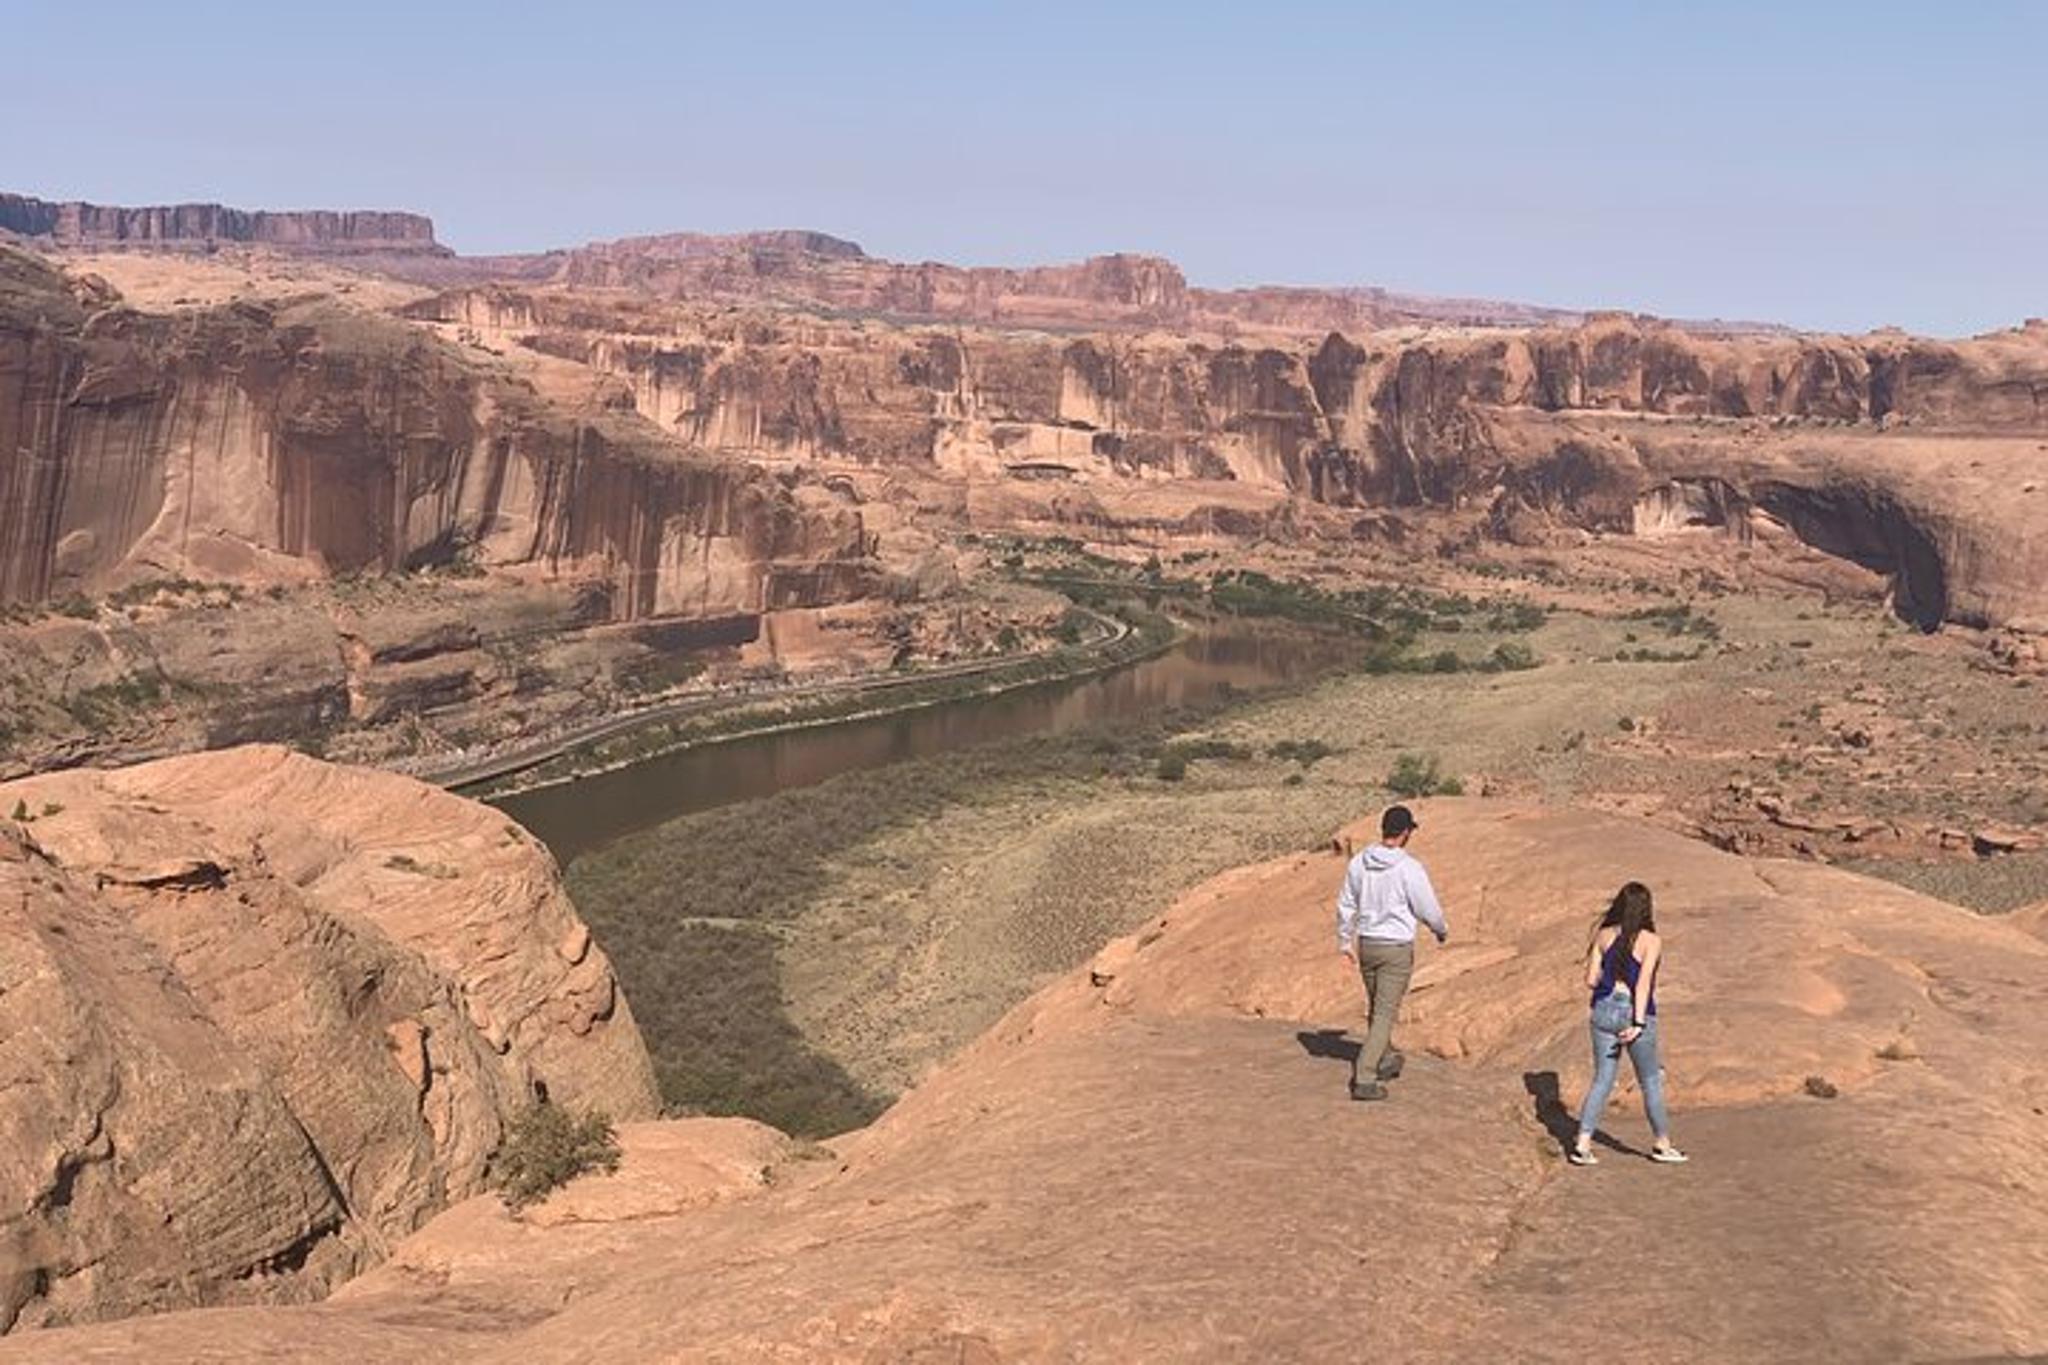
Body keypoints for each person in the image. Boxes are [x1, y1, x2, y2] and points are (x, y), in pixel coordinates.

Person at [1569, 882, 1687, 1165]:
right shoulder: (1651, 940)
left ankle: (1582, 1145)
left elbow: (1589, 980)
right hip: (1633, 1011)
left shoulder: (1603, 935)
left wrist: (1609, 980)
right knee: (1650, 1080)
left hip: (1603, 1009)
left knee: (1602, 1080)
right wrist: (1637, 1022)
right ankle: (1662, 1144)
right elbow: (1643, 984)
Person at [1335, 804, 1447, 1101]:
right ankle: (1365, 1076)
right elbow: (1426, 906)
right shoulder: (1409, 867)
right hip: (1395, 947)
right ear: (1406, 832)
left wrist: (1345, 942)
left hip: (1368, 943)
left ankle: (1384, 1058)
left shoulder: (1359, 862)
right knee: (1385, 1013)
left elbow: (1346, 904)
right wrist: (1439, 928)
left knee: (1376, 1007)